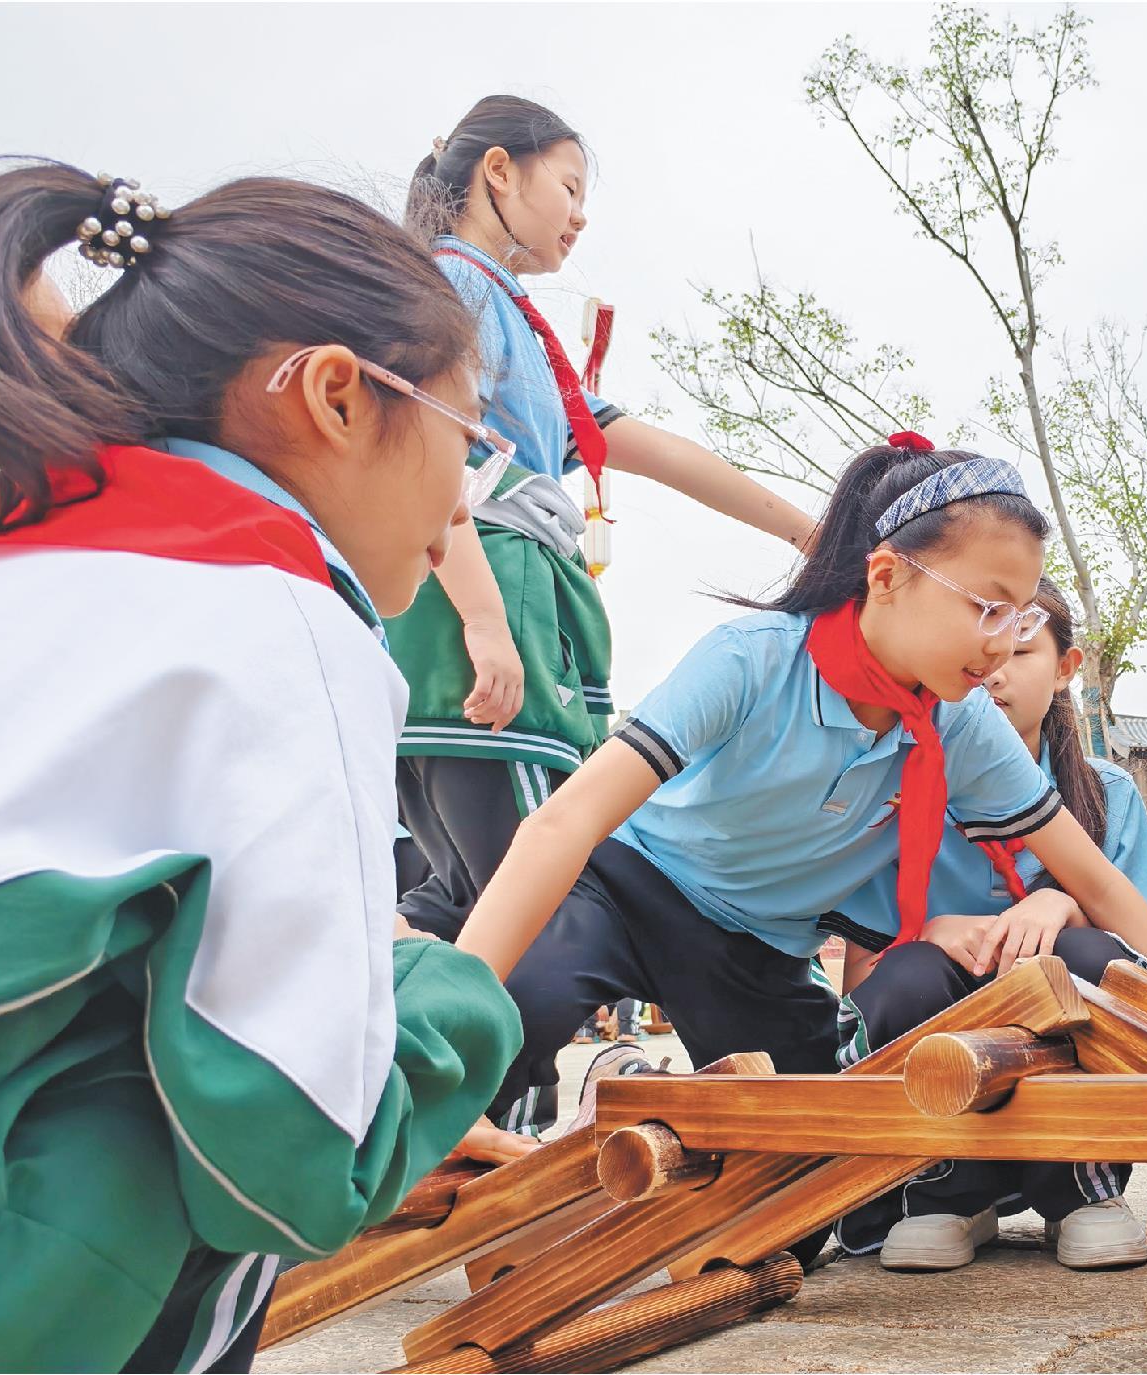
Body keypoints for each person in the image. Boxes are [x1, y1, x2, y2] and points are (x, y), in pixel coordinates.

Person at [0, 162, 520, 1372]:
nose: (457, 503)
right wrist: (439, 1019)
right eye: (469, 439)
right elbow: (290, 1160)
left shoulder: (12, 556)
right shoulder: (284, 618)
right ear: (337, 394)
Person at [448, 436, 1147, 1150]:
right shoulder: (753, 659)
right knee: (516, 1010)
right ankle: (522, 1093)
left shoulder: (960, 724)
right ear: (887, 576)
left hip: (760, 949)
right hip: (627, 886)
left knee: (799, 1197)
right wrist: (452, 1017)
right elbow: (559, 823)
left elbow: (1097, 880)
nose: (999, 646)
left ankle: (628, 1090)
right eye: (985, 607)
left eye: (1020, 616)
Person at [397, 96, 817, 1144]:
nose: (580, 216)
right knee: (547, 895)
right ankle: (467, 1119)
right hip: (490, 609)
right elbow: (429, 449)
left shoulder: (518, 325)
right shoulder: (456, 288)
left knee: (461, 899)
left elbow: (656, 449)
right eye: (569, 186)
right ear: (500, 171)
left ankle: (413, 1107)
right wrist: (486, 622)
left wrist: (815, 530)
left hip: (516, 606)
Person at [831, 578, 1147, 1271]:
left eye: (1022, 649)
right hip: (944, 1029)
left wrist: (1068, 902)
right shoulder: (895, 790)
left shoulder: (1106, 794)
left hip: (1060, 1028)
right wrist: (924, 930)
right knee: (908, 972)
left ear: (1066, 668)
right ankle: (942, 1196)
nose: (996, 668)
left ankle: (1083, 1191)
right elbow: (861, 984)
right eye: (981, 646)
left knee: (1088, 953)